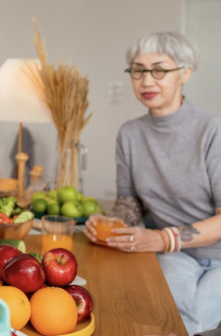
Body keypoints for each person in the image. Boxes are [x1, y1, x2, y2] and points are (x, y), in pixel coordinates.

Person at [83, 32, 221, 334]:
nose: (147, 81)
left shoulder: (212, 130)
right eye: (138, 70)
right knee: (167, 315)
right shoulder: (130, 134)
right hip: (178, 255)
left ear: (185, 73)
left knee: (193, 317)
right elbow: (129, 202)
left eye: (159, 70)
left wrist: (162, 239)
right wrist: (110, 222)